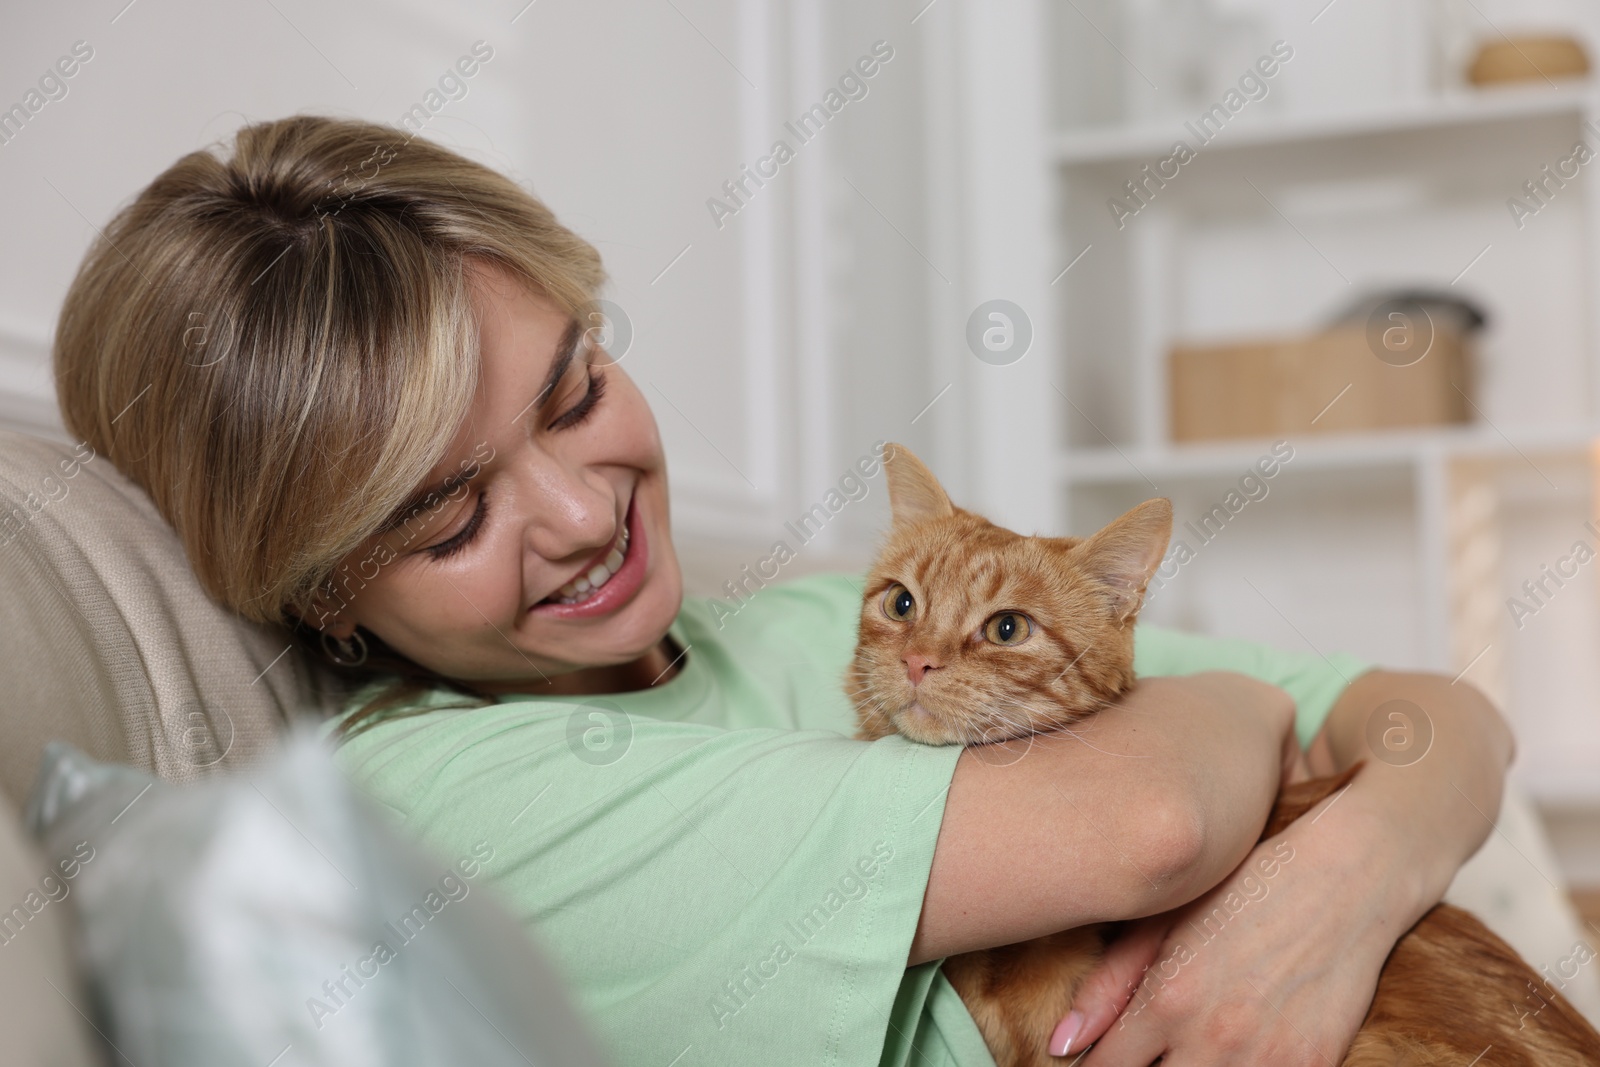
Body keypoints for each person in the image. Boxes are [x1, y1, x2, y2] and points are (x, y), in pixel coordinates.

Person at [52, 114, 1513, 1066]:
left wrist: (1344, 877)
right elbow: (1153, 820)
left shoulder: (824, 622)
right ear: (317, 595)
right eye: (447, 514)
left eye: (576, 393)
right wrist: (1255, 710)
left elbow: (1439, 720)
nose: (580, 512)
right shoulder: (441, 811)